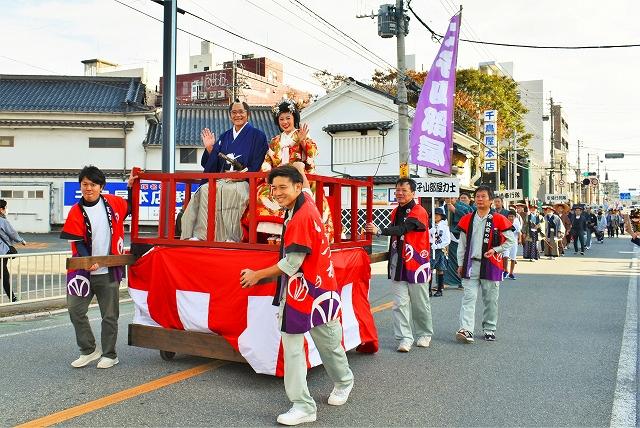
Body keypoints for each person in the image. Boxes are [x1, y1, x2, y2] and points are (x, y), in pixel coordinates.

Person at [239, 164, 353, 426]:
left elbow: (291, 264)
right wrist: (300, 169)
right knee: (295, 347)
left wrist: (257, 275)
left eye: (283, 187)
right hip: (311, 290)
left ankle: (344, 382)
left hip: (311, 291)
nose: (277, 193)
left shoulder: (302, 216)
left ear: (298, 187)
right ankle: (303, 405)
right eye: (274, 188)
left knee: (328, 344)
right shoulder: (303, 202)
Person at [60, 166, 136, 369]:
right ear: (80, 186)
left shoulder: (112, 203)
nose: (88, 188)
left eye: (93, 184)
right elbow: (78, 242)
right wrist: (88, 261)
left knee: (109, 315)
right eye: (85, 184)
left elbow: (130, 207)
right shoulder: (76, 211)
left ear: (101, 186)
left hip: (109, 269)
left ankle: (110, 354)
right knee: (75, 310)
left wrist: (130, 187)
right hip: (82, 272)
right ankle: (89, 350)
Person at [180, 100, 269, 242]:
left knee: (238, 192)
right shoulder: (224, 137)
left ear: (248, 115)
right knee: (205, 190)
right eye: (234, 112)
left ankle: (233, 237)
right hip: (223, 179)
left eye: (241, 112)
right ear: (229, 116)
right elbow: (212, 165)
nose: (237, 115)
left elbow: (258, 162)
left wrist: (243, 175)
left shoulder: (258, 136)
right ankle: (201, 235)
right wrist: (210, 149)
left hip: (244, 180)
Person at [248, 99, 334, 241]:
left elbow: (312, 154)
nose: (285, 121)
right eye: (281, 119)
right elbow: (268, 160)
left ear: (295, 118)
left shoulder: (302, 134)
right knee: (262, 191)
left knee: (306, 192)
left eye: (288, 117)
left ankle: (305, 231)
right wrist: (267, 170)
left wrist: (302, 141)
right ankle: (276, 231)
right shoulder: (275, 141)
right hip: (278, 178)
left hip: (299, 178)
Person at [366, 178, 433, 353]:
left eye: (403, 190)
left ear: (413, 193)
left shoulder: (419, 211)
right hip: (398, 262)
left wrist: (380, 230)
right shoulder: (395, 211)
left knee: (420, 303)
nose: (399, 193)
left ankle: (424, 334)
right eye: (397, 190)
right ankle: (404, 338)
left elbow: (404, 228)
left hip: (417, 263)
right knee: (399, 303)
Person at [455, 185, 516, 343]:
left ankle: (489, 328)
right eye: (477, 196)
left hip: (491, 264)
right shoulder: (467, 218)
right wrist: (460, 264)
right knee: (468, 298)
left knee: (490, 299)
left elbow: (511, 240)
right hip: (470, 263)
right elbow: (462, 245)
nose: (479, 199)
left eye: (483, 196)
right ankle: (466, 330)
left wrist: (496, 249)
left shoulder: (499, 219)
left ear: (491, 201)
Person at [444, 193, 473, 289]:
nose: (449, 199)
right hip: (446, 236)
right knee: (446, 259)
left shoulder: (464, 207)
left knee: (460, 258)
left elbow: (468, 218)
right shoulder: (442, 208)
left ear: (456, 198)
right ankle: (445, 281)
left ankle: (462, 281)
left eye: (451, 197)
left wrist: (455, 210)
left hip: (460, 235)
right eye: (447, 197)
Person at [0, 199, 27, 301]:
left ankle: (12, 297)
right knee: (4, 274)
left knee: (4, 274)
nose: (6, 209)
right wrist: (21, 240)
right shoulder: (3, 221)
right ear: (1, 209)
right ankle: (12, 298)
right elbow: (12, 233)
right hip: (2, 251)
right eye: (5, 208)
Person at [429, 207, 450, 297]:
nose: (436, 216)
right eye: (434, 214)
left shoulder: (444, 227)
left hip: (440, 249)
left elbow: (447, 240)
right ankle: (428, 289)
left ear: (441, 216)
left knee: (440, 269)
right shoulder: (429, 225)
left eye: (438, 215)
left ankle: (440, 289)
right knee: (429, 269)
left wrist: (438, 246)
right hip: (430, 249)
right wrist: (429, 232)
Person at [504, 209, 521, 279]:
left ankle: (511, 273)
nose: (511, 218)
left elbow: (519, 232)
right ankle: (505, 271)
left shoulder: (516, 223)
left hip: (514, 242)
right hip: (506, 242)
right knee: (505, 256)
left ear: (515, 217)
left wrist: (520, 239)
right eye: (509, 216)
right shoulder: (505, 222)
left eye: (512, 216)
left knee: (513, 258)